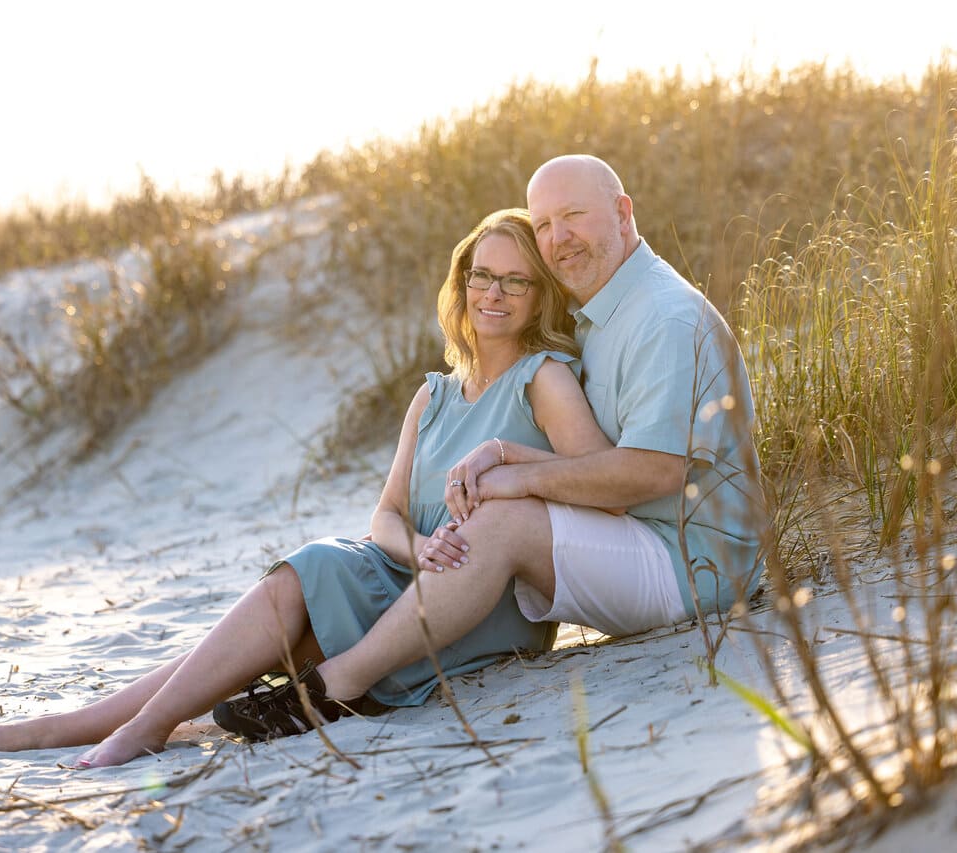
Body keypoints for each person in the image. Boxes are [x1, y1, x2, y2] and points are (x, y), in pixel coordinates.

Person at [0, 208, 618, 766]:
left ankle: (111, 726)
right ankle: (93, 723)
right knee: (282, 602)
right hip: (401, 568)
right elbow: (384, 516)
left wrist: (507, 474)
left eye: (515, 281)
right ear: (461, 282)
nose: (493, 294)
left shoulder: (545, 378)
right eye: (481, 275)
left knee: (287, 607)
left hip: (475, 601)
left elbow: (597, 480)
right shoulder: (434, 394)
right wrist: (415, 546)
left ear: (540, 296)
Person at [206, 154, 767, 743]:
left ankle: (337, 687)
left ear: (623, 213)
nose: (557, 238)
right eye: (545, 223)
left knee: (503, 522)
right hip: (645, 537)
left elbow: (654, 474)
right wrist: (509, 454)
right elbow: (602, 465)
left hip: (693, 566)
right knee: (344, 572)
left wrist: (518, 478)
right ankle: (185, 704)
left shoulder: (661, 317)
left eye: (574, 216)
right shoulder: (605, 314)